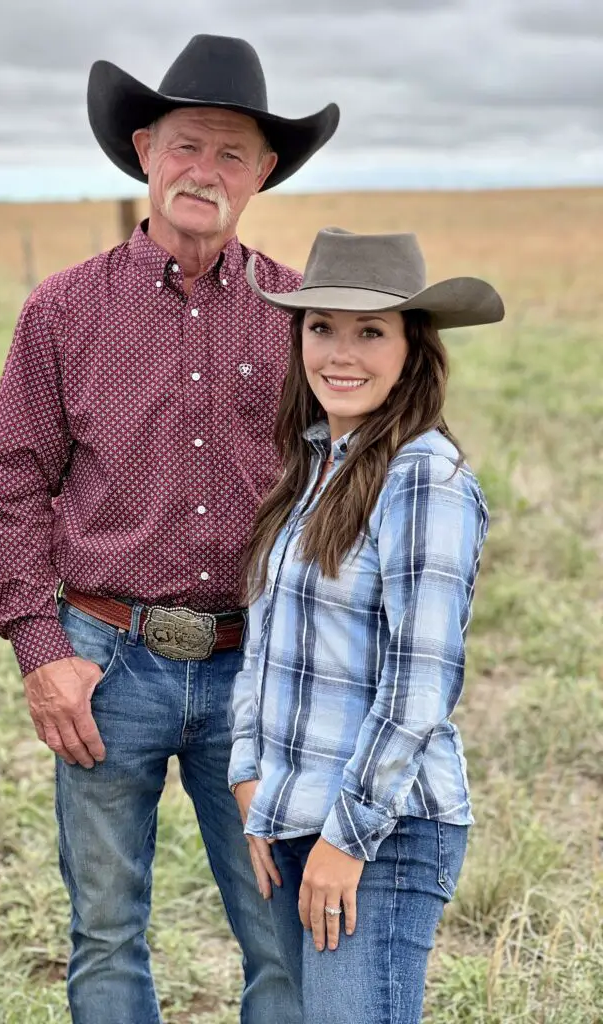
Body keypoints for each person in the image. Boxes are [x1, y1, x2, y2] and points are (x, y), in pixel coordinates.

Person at [0, 34, 339, 1024]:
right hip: (102, 658)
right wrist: (40, 648)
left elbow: (351, 480)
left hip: (256, 668)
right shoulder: (60, 312)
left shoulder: (306, 314)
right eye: (187, 146)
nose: (204, 172)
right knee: (104, 931)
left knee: (283, 937)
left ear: (263, 173)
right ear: (145, 150)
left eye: (231, 154)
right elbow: (11, 484)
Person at [230, 227, 504, 1024]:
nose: (340, 353)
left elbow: (421, 686)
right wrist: (252, 782)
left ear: (413, 348)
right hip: (291, 818)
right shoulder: (313, 469)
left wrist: (345, 842)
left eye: (370, 331)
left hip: (379, 832)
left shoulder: (425, 477)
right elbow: (266, 642)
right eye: (322, 327)